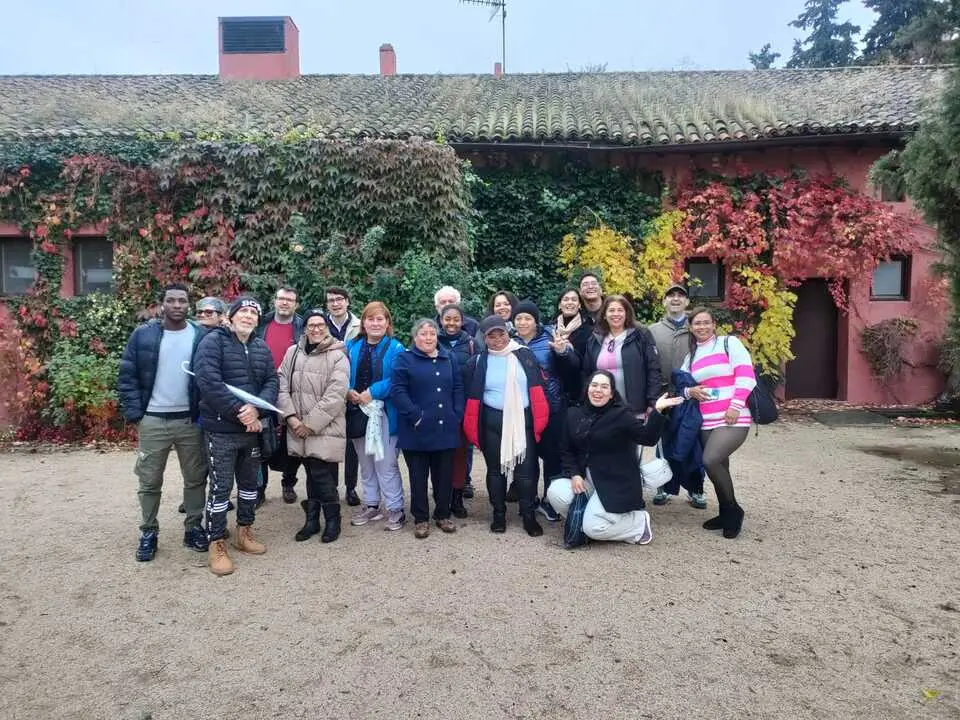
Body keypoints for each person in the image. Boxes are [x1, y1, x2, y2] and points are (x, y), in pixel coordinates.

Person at [119, 283, 208, 562]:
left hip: (190, 420)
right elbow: (127, 375)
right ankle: (148, 531)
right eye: (172, 300)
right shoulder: (143, 335)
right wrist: (137, 415)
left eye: (182, 300)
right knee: (149, 480)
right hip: (154, 419)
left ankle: (193, 527)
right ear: (162, 305)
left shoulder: (201, 335)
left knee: (195, 478)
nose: (178, 305)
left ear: (188, 304)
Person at [194, 297, 279, 576]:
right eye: (243, 311)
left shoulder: (260, 346)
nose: (249, 316)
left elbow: (271, 382)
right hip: (221, 430)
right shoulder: (213, 342)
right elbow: (208, 381)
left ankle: (244, 532)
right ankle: (216, 542)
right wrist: (238, 412)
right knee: (220, 488)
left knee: (248, 486)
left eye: (254, 312)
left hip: (252, 431)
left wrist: (256, 412)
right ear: (229, 317)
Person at [546, 371, 682, 544]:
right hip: (586, 479)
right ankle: (587, 519)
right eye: (594, 385)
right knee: (556, 492)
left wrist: (658, 410)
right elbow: (566, 449)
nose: (598, 390)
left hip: (615, 482)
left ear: (611, 394)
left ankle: (638, 524)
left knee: (594, 528)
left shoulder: (621, 415)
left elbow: (648, 438)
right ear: (587, 388)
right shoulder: (574, 413)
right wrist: (574, 474)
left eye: (604, 387)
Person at [463, 316, 550, 536]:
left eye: (500, 333)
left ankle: (528, 515)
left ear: (507, 332)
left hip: (523, 420)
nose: (497, 339)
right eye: (491, 336)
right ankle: (498, 514)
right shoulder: (478, 361)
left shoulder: (524, 354)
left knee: (526, 469)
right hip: (492, 420)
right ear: (484, 338)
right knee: (495, 470)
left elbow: (538, 385)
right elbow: (470, 393)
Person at [681, 307, 757, 539]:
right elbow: (682, 386)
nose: (701, 327)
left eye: (706, 323)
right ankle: (725, 511)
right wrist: (689, 391)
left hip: (733, 416)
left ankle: (734, 510)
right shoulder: (691, 356)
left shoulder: (729, 343)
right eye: (697, 323)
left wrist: (735, 406)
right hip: (706, 420)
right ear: (691, 328)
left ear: (714, 324)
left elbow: (746, 375)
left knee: (710, 460)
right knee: (720, 466)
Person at [277, 310, 350, 544]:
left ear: (327, 328)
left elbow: (336, 394)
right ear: (305, 328)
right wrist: (291, 418)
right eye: (311, 325)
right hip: (297, 425)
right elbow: (281, 385)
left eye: (320, 325)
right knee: (310, 472)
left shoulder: (338, 356)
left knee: (321, 473)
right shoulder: (293, 352)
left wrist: (309, 424)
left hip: (325, 425)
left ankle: (333, 519)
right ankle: (311, 520)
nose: (316, 329)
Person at [391, 319, 465, 538]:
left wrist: (457, 413)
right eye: (423, 334)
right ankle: (421, 518)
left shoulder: (448, 358)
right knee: (418, 477)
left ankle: (443, 514)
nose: (428, 338)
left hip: (445, 427)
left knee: (444, 475)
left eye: (432, 333)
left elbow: (458, 387)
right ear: (415, 337)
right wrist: (415, 416)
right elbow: (398, 391)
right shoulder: (404, 359)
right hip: (417, 430)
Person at [346, 302, 407, 531]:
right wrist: (347, 391)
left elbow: (398, 379)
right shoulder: (352, 346)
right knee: (365, 461)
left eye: (380, 319)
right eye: (370, 319)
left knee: (386, 462)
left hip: (384, 412)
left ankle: (395, 507)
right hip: (358, 412)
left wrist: (372, 392)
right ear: (363, 323)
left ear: (387, 323)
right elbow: (342, 373)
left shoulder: (396, 348)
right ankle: (371, 503)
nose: (375, 323)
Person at [648, 284, 707, 509]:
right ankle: (662, 485)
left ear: (686, 302)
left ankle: (695, 488)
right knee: (663, 442)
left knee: (694, 442)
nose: (675, 299)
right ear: (664, 302)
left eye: (680, 296)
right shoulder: (652, 330)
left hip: (692, 395)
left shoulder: (697, 329)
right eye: (670, 296)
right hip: (664, 394)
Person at [511, 300, 566, 522]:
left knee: (552, 458)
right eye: (519, 318)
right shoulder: (509, 342)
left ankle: (551, 501)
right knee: (526, 459)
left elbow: (568, 367)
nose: (523, 322)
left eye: (527, 318)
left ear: (536, 321)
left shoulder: (551, 339)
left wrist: (563, 353)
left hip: (551, 406)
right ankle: (529, 500)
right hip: (522, 409)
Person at [256, 286, 305, 507]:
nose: (285, 303)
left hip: (292, 390)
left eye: (290, 300)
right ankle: (259, 488)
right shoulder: (261, 324)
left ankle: (288, 483)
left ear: (296, 304)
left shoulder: (302, 326)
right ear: (274, 301)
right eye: (281, 299)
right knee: (259, 438)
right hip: (262, 388)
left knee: (291, 439)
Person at [581, 295, 661, 415]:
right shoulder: (595, 339)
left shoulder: (641, 335)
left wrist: (652, 402)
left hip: (635, 409)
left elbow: (653, 369)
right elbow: (586, 373)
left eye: (620, 310)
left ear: (626, 313)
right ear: (604, 314)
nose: (616, 314)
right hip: (602, 411)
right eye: (611, 310)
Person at [437, 304, 478, 512]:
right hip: (437, 406)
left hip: (462, 405)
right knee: (441, 453)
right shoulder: (432, 341)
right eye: (447, 319)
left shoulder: (471, 343)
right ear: (441, 320)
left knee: (460, 453)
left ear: (462, 321)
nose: (451, 323)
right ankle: (441, 495)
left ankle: (457, 496)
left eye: (456, 319)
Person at [324, 286, 362, 507]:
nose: (336, 303)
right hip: (326, 390)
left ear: (347, 301)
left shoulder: (358, 326)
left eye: (339, 299)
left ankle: (351, 488)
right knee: (328, 442)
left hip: (351, 389)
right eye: (331, 300)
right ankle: (330, 489)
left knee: (350, 445)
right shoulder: (319, 324)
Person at [547, 288, 592, 405]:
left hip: (578, 392)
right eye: (566, 299)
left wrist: (566, 351)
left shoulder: (589, 330)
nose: (570, 302)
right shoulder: (550, 329)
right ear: (559, 305)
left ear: (579, 305)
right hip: (553, 391)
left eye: (574, 299)